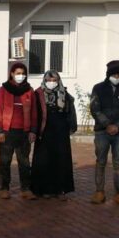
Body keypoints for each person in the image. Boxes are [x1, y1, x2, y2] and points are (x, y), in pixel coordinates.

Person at [90, 60, 119, 207]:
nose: (117, 76)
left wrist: (118, 126)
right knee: (101, 162)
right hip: (102, 132)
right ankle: (99, 192)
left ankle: (118, 194)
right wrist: (107, 125)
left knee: (118, 164)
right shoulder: (98, 88)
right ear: (108, 74)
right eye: (114, 74)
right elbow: (95, 109)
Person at [0, 62, 38, 200]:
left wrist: (33, 131)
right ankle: (4, 188)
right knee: (5, 161)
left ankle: (25, 189)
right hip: (7, 131)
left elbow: (34, 113)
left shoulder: (29, 91)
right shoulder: (3, 90)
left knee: (24, 162)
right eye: (18, 73)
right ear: (12, 74)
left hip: (24, 132)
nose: (21, 76)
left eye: (23, 73)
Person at [31, 70, 77, 200]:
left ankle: (60, 190)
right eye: (49, 80)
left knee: (61, 160)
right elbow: (34, 113)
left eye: (54, 80)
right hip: (44, 131)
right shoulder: (38, 94)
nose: (51, 83)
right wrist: (33, 130)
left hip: (61, 132)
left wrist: (71, 126)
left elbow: (70, 112)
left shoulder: (64, 94)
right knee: (44, 160)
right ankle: (43, 189)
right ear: (44, 81)